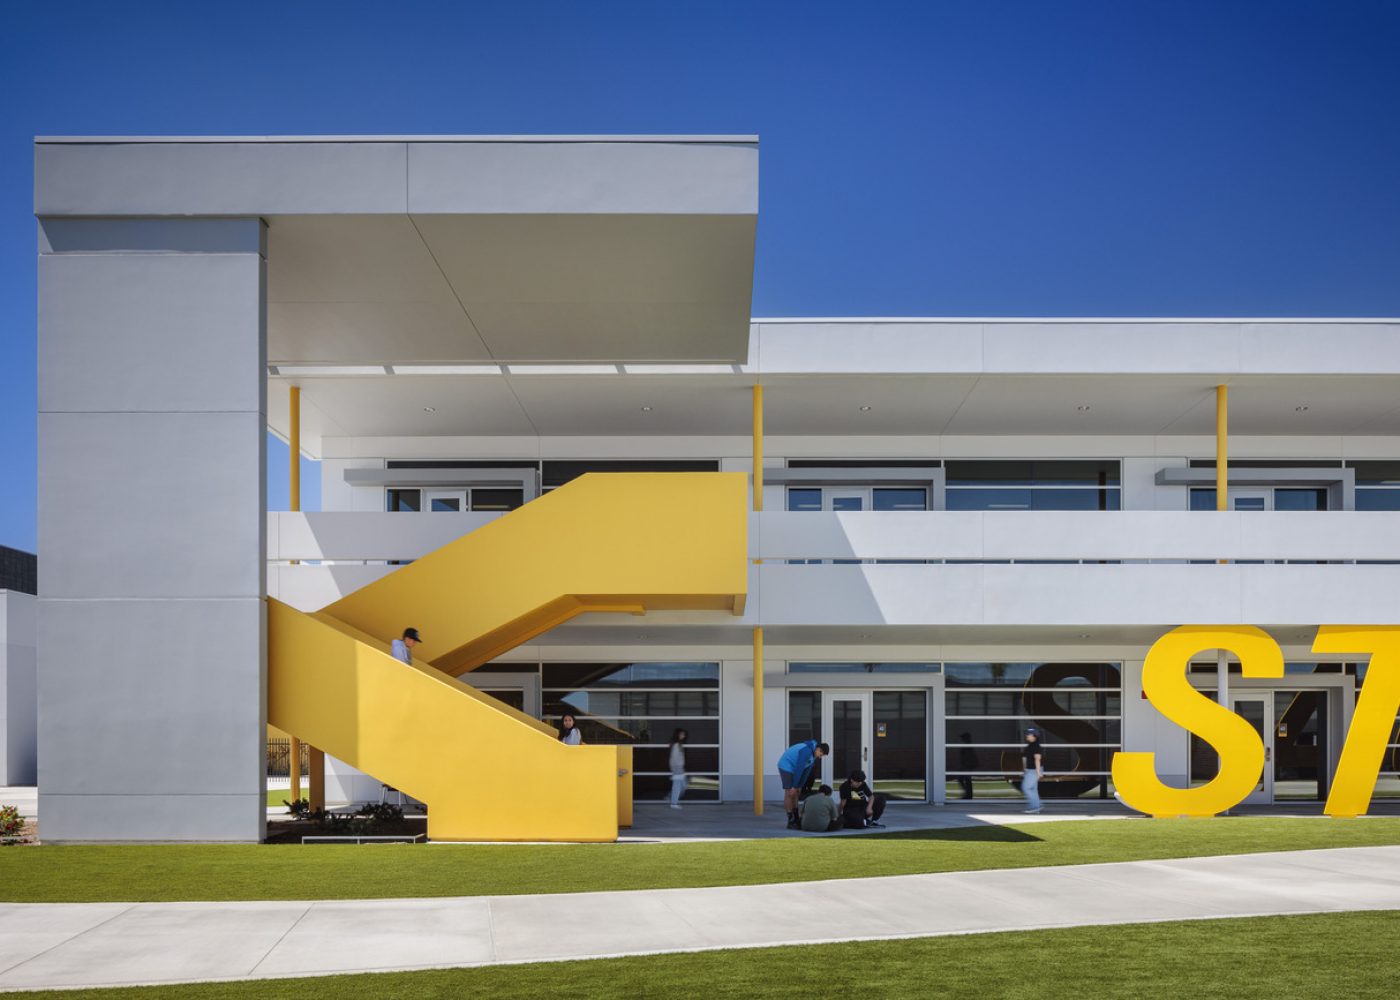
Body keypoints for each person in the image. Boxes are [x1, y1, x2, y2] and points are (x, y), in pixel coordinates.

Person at [777, 739, 829, 829]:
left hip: (794, 767)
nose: (820, 757)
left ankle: (796, 817)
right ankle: (790, 820)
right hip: (786, 766)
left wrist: (799, 786)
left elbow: (806, 772)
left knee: (797, 792)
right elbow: (799, 769)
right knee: (789, 793)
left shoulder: (813, 755)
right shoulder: (806, 751)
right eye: (821, 755)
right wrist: (794, 786)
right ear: (818, 749)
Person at [1021, 726, 1044, 814]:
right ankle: (1037, 806)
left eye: (1029, 734)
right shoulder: (1030, 745)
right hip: (1030, 770)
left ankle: (1035, 806)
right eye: (1027, 734)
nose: (1027, 735)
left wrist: (1038, 771)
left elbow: (1037, 759)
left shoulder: (1036, 746)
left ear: (1035, 736)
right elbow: (1025, 758)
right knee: (1033, 789)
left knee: (1026, 788)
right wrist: (1024, 769)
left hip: (1034, 770)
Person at [668, 728, 688, 809]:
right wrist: (676, 770)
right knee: (678, 786)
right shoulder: (676, 745)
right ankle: (673, 803)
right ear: (678, 735)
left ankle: (671, 798)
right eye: (682, 734)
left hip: (679, 768)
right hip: (677, 769)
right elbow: (674, 758)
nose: (683, 736)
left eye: (684, 734)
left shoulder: (679, 744)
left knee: (683, 785)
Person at [957, 732, 977, 799]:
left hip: (967, 766)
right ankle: (968, 794)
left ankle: (968, 795)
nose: (961, 739)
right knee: (966, 780)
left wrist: (964, 765)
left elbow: (967, 757)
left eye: (962, 738)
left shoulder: (967, 746)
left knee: (964, 779)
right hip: (967, 765)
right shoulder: (967, 745)